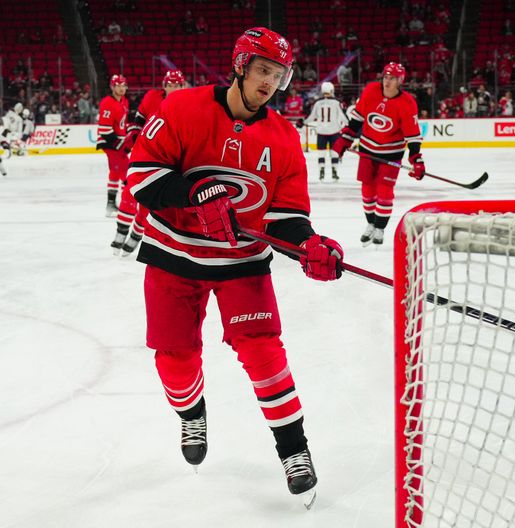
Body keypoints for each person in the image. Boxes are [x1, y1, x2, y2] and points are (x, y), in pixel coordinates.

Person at [126, 27, 342, 507]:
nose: (270, 83)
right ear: (241, 66)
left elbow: (285, 216)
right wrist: (192, 193)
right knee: (175, 363)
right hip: (174, 254)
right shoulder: (182, 109)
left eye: (279, 75)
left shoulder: (284, 138)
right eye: (263, 70)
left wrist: (309, 245)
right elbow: (141, 177)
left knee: (265, 352)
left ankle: (295, 450)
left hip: (241, 263)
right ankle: (192, 413)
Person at [331, 62, 424, 246]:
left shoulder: (407, 103)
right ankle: (371, 224)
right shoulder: (371, 90)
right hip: (367, 149)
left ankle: (380, 228)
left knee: (384, 192)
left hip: (391, 154)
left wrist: (416, 159)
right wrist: (345, 139)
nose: (388, 82)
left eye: (393, 78)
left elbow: (412, 136)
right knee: (367, 191)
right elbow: (357, 119)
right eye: (386, 77)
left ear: (400, 81)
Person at [113, 70, 188, 257]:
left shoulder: (188, 104)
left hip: (167, 161)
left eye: (176, 85)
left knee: (149, 202)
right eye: (169, 85)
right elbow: (138, 119)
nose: (172, 88)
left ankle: (136, 235)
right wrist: (135, 135)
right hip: (144, 154)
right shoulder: (152, 97)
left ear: (182, 86)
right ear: (164, 86)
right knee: (131, 191)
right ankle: (120, 232)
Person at [97, 74, 130, 217]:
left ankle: (111, 205)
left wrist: (126, 141)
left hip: (119, 143)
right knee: (125, 172)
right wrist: (119, 144)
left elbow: (123, 125)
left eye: (124, 85)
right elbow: (105, 130)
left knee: (116, 173)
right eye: (118, 86)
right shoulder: (107, 103)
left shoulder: (124, 101)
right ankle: (127, 204)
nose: (122, 88)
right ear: (112, 87)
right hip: (110, 143)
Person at [304, 81, 348, 181]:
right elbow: (343, 117)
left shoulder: (318, 103)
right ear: (331, 90)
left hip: (321, 132)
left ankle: (321, 172)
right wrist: (350, 125)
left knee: (321, 154)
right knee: (334, 154)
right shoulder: (337, 103)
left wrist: (303, 122)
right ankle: (334, 172)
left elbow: (311, 117)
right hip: (334, 131)